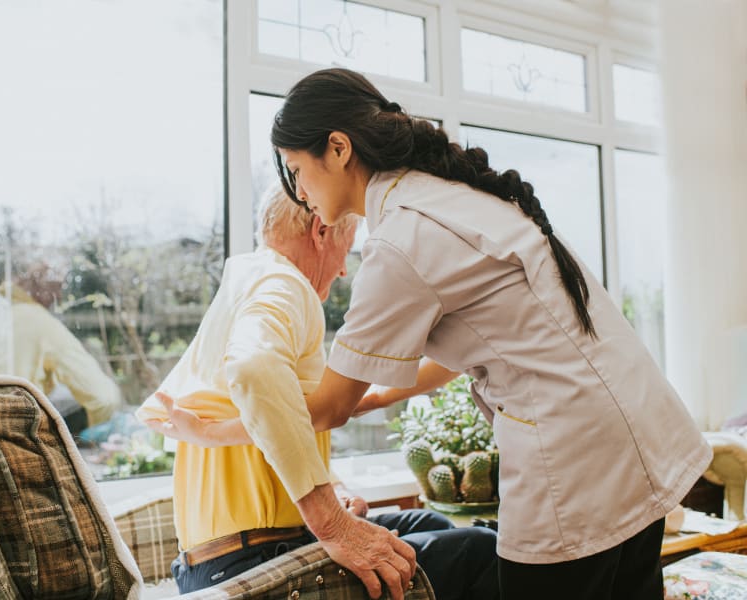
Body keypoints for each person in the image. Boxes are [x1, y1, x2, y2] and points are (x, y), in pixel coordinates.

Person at [156, 68, 712, 600]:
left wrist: (208, 431)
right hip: (635, 431)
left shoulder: (400, 240)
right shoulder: (445, 196)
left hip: (575, 459)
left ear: (338, 148)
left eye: (296, 170)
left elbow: (325, 407)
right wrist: (364, 399)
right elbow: (457, 358)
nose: (300, 192)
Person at [138, 186, 499, 600]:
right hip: (252, 563)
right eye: (347, 247)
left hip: (220, 561)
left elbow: (335, 404)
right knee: (482, 549)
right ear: (321, 230)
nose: (345, 269)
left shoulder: (250, 281)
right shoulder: (283, 284)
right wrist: (331, 522)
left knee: (432, 525)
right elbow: (254, 368)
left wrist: (333, 485)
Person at [0, 268, 120, 431]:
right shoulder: (38, 321)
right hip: (4, 435)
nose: (59, 297)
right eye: (56, 288)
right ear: (39, 289)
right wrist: (63, 436)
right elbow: (104, 398)